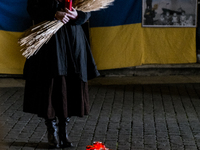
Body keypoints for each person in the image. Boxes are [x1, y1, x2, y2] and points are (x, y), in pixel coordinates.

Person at [23, 0, 100, 148]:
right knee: (50, 85)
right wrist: (53, 14)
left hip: (73, 39)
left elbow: (88, 9)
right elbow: (32, 8)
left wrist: (78, 15)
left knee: (70, 84)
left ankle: (64, 131)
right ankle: (52, 131)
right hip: (50, 41)